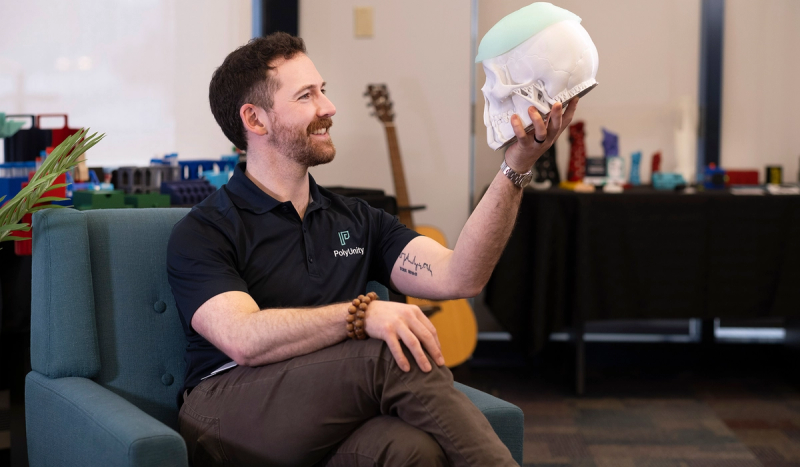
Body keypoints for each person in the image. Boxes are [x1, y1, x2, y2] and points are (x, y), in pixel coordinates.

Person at [167, 31, 577, 467]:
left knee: (412, 451)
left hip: (326, 407)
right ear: (255, 119)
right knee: (387, 348)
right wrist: (361, 315)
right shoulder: (205, 229)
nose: (328, 107)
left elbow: (462, 275)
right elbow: (243, 339)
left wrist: (515, 166)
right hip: (225, 414)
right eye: (306, 95)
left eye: (323, 91)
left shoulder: (357, 219)